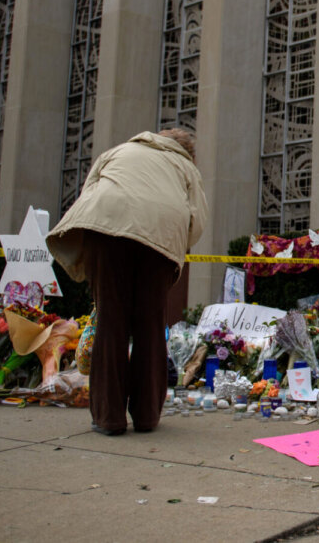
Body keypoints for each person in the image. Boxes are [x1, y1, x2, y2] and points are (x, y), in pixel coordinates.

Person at [47, 129, 207, 435]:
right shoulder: (185, 166)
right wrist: (177, 246)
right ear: (188, 152)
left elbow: (91, 189)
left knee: (110, 321)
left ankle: (108, 418)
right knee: (150, 325)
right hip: (157, 239)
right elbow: (197, 220)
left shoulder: (119, 150)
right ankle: (147, 416)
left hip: (106, 230)